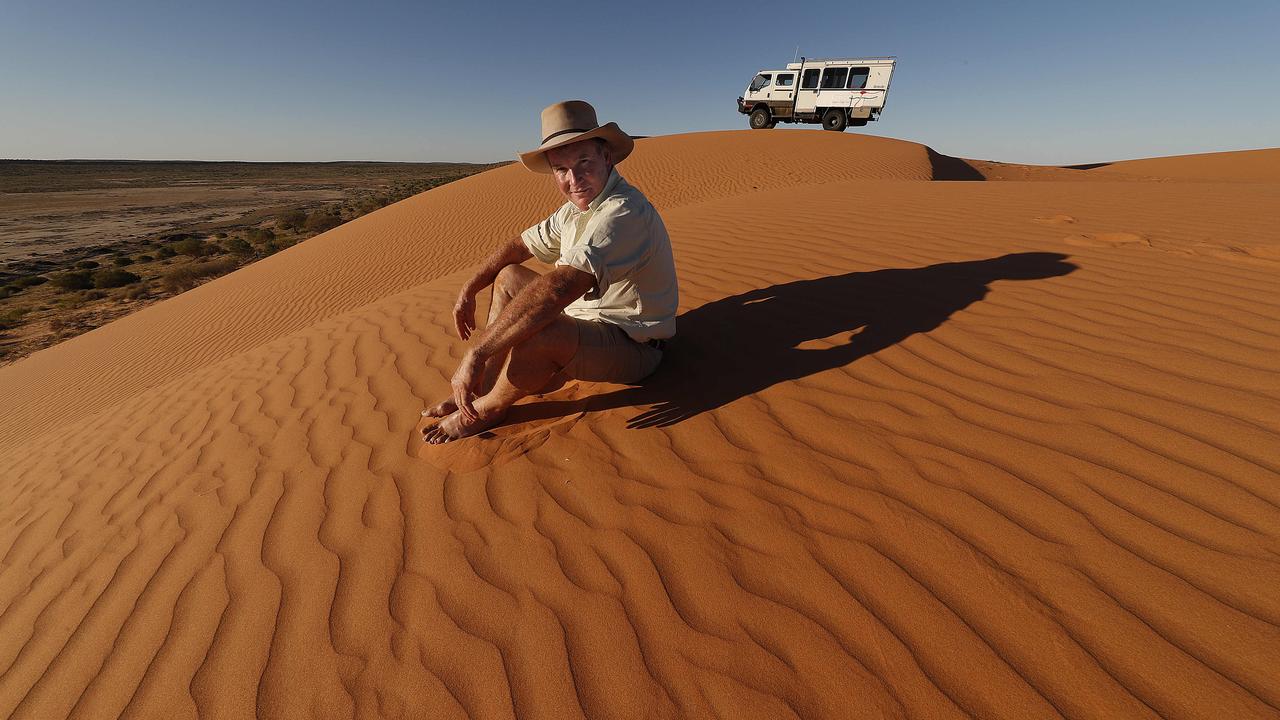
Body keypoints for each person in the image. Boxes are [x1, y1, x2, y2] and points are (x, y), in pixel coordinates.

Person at [422, 100, 678, 444]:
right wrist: (469, 288)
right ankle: (481, 387)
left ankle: (489, 408)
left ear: (607, 157)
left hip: (634, 347)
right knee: (510, 276)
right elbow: (519, 247)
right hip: (586, 327)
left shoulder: (622, 213)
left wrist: (476, 353)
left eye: (583, 162)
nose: (574, 180)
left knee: (542, 327)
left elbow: (559, 288)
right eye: (561, 169)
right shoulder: (576, 209)